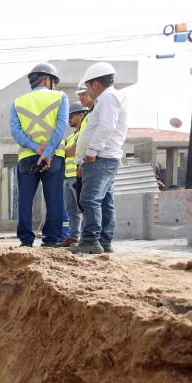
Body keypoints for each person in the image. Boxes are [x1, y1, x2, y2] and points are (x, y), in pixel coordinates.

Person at [70, 62, 128, 255]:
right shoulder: (112, 97)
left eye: (87, 86)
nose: (87, 91)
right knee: (104, 200)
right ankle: (104, 241)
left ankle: (90, 240)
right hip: (107, 157)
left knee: (90, 199)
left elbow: (106, 126)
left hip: (100, 157)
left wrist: (92, 151)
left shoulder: (108, 97)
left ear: (95, 84)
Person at [10, 62, 69, 247]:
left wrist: (35, 148)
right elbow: (61, 127)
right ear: (47, 79)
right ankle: (51, 240)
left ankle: (26, 241)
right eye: (54, 81)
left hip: (27, 156)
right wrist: (48, 150)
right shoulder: (60, 97)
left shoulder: (18, 102)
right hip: (54, 157)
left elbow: (16, 131)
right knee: (54, 199)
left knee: (25, 199)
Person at [56, 102, 90, 247]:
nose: (69, 119)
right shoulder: (71, 137)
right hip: (67, 178)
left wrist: (60, 151)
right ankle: (73, 237)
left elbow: (70, 152)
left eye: (71, 116)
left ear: (81, 115)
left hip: (78, 177)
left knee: (83, 208)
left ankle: (85, 238)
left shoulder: (83, 133)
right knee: (71, 211)